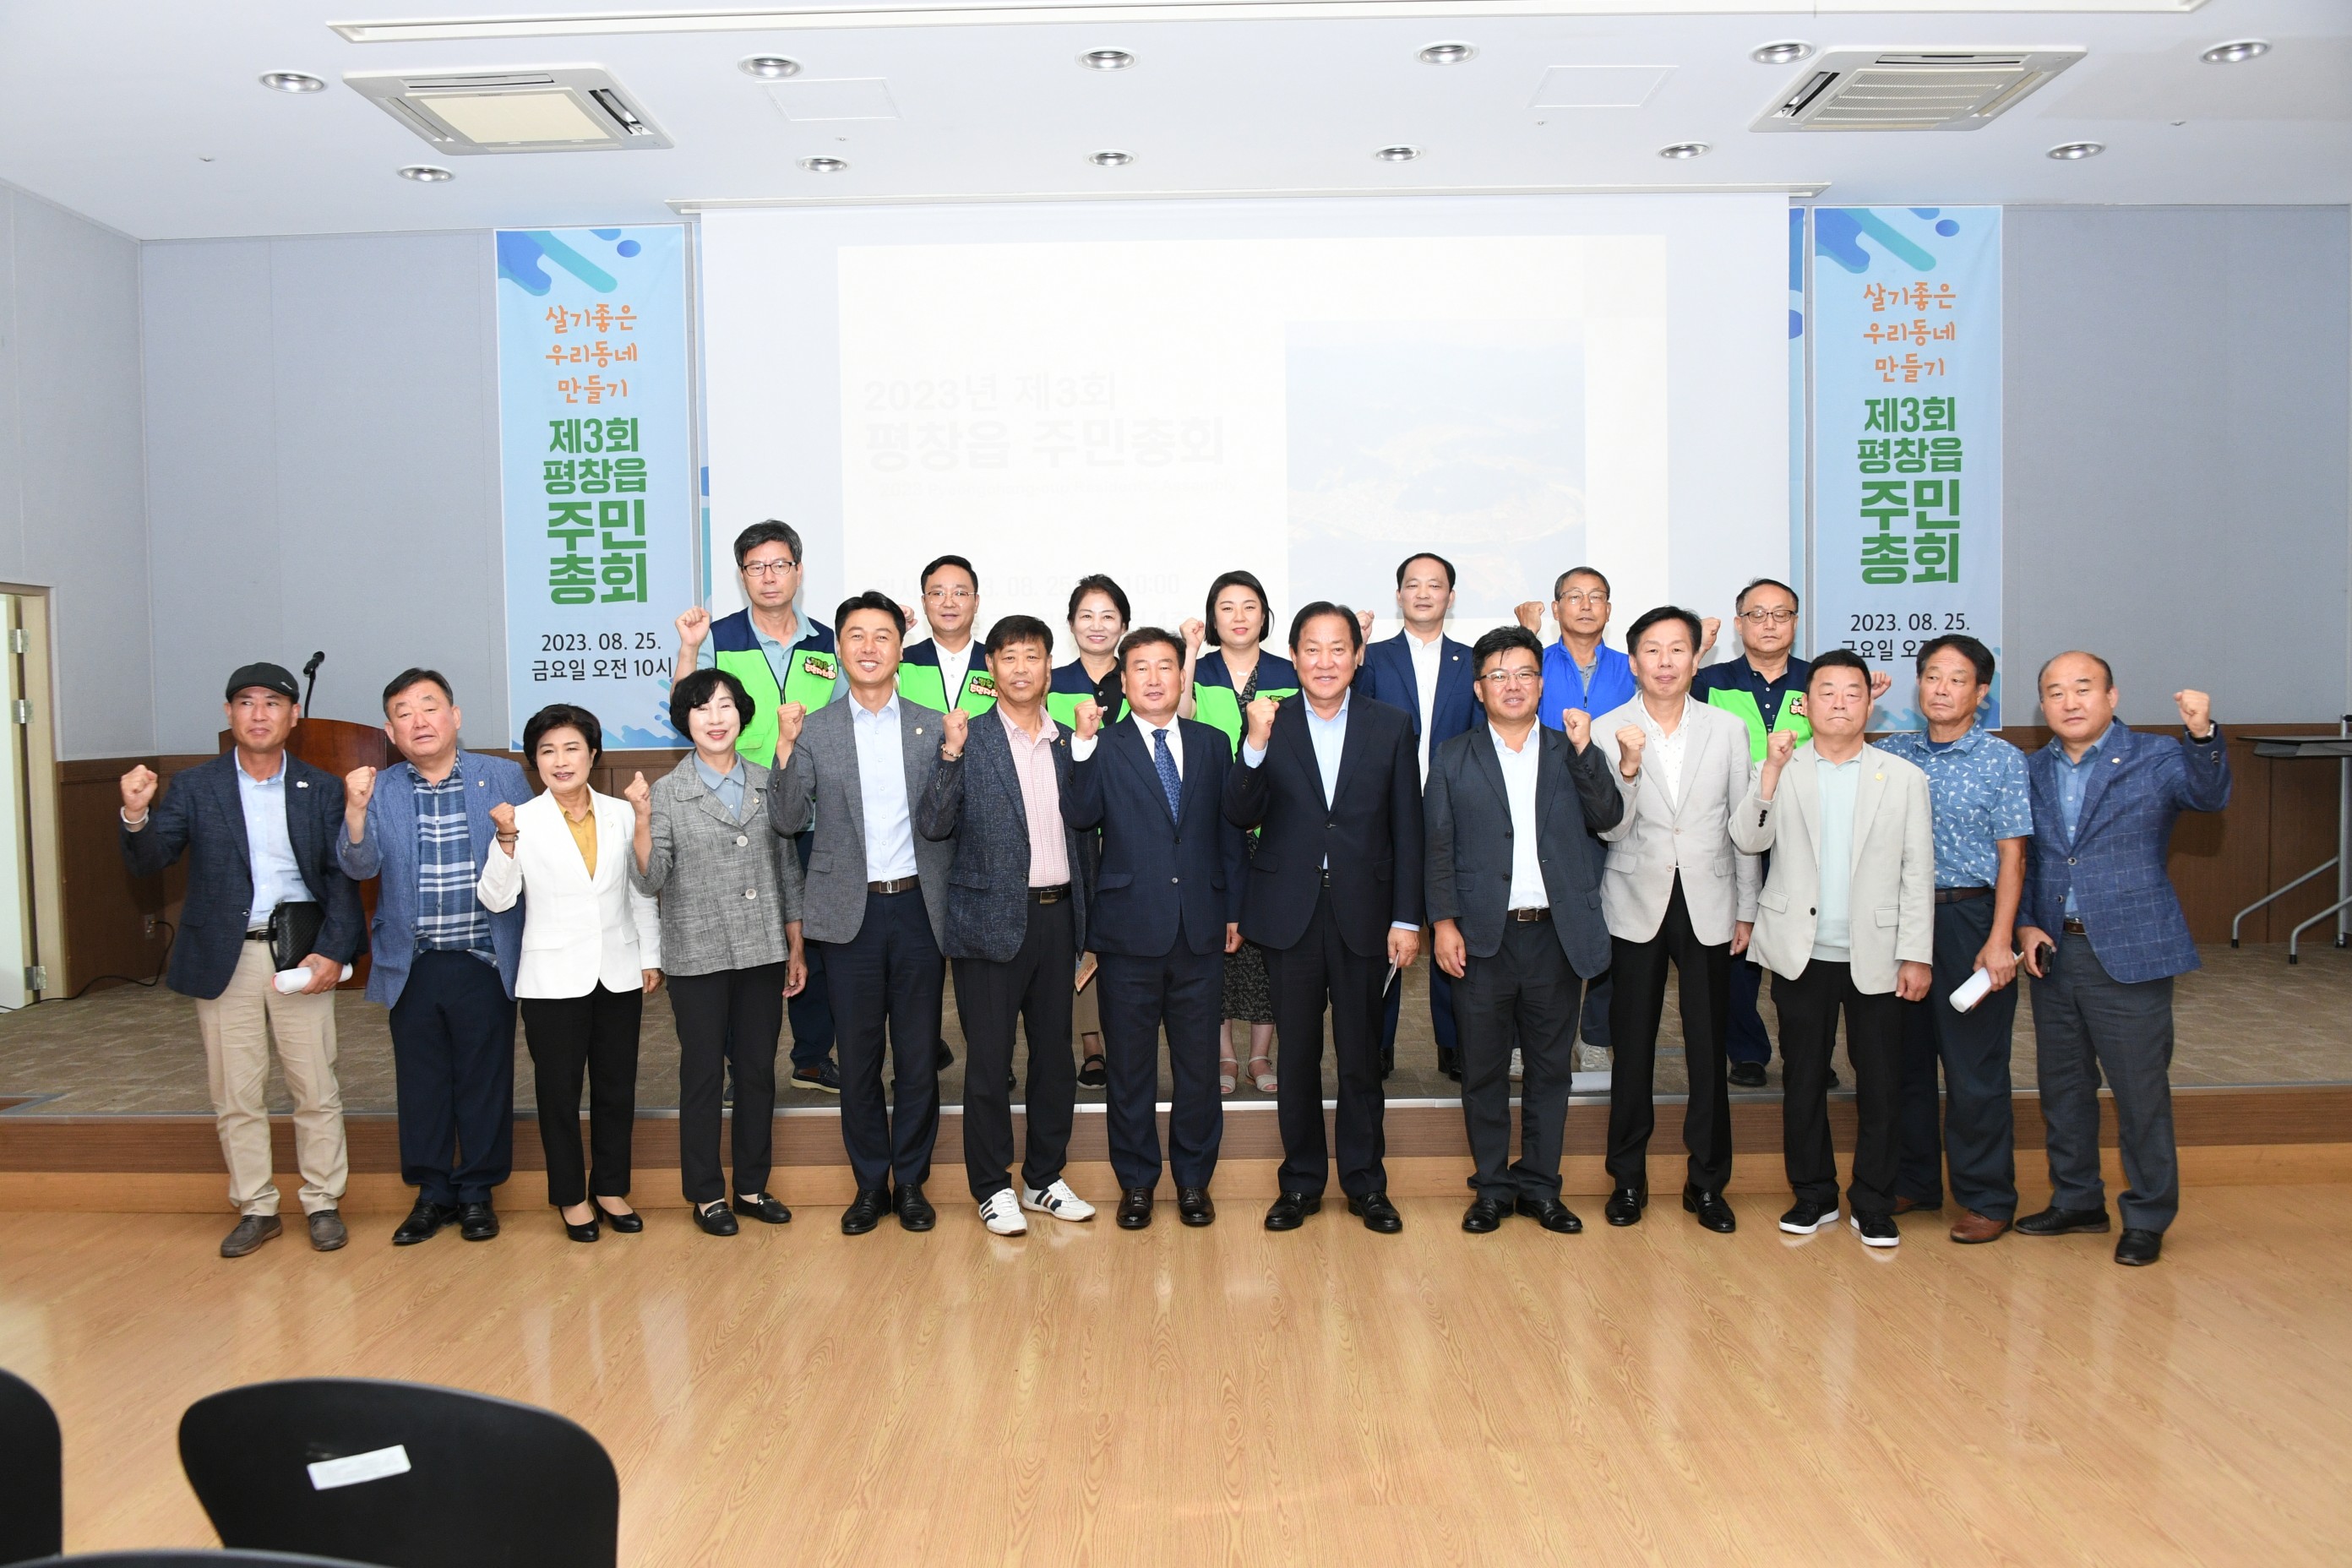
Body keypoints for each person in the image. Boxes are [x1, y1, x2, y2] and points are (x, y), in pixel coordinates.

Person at [117, 662, 362, 1258]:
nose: (259, 714)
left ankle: (322, 1202)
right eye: (246, 702)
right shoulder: (197, 787)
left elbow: (341, 879)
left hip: (300, 954)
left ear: (293, 716)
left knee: (315, 1086)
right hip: (226, 956)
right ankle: (256, 1207)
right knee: (236, 1092)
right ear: (229, 714)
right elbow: (150, 860)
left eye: (272, 703)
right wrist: (136, 814)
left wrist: (334, 951)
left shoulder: (320, 788)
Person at [2014, 655, 2229, 1267]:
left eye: (2083, 689)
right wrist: (2025, 923)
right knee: (2063, 1088)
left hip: (2132, 949)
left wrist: (2202, 735)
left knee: (2140, 1093)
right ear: (2043, 706)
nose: (2070, 701)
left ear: (2111, 696)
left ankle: (2148, 1215)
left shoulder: (2156, 756)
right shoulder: (2031, 768)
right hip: (2054, 950)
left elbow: (2208, 796)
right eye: (2055, 692)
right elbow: (2024, 856)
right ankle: (2077, 1199)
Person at [1226, 602, 1424, 1234]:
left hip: (1366, 914)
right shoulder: (1268, 720)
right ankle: (1301, 1183)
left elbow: (1408, 829)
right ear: (1293, 657)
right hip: (1290, 914)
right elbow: (1239, 812)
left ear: (1358, 655)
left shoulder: (1391, 725)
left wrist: (1407, 918)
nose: (1325, 661)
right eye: (1312, 649)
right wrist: (1254, 744)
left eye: (1339, 648)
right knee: (1298, 1059)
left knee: (1362, 1057)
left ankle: (1367, 1184)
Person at [1729, 651, 1936, 1249]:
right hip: (1801, 953)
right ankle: (1813, 1194)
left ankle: (1873, 1201)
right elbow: (1747, 839)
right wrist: (1769, 773)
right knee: (1802, 1081)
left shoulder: (1903, 777)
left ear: (1870, 704)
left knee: (1881, 1084)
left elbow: (1918, 872)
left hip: (1879, 955)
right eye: (1827, 692)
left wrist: (1916, 953)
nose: (1840, 703)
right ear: (1806, 703)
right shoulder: (1779, 767)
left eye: (1852, 693)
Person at [771, 590, 957, 1235]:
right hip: (848, 915)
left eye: (883, 636)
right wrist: (784, 747)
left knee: (917, 1056)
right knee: (857, 1058)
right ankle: (870, 1184)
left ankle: (913, 1182)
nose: (870, 647)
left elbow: (947, 819)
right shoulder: (815, 728)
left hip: (919, 910)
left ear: (900, 648)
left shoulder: (933, 726)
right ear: (839, 647)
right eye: (857, 635)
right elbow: (786, 819)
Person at [1424, 627, 1622, 1235]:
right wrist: (1443, 923)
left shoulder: (1571, 748)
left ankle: (1541, 1186)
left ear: (1541, 684)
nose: (1513, 686)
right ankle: (1491, 1188)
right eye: (1499, 676)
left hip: (1555, 937)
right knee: (1483, 1070)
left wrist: (1588, 753)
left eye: (1525, 674)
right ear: (1479, 689)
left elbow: (1608, 816)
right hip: (1481, 937)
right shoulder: (1452, 756)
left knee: (1549, 1070)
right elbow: (1438, 847)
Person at [916, 614, 1097, 1235]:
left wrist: (1090, 928)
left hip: (1059, 918)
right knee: (990, 1063)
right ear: (990, 667)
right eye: (1009, 657)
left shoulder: (1071, 741)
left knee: (1055, 1060)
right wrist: (950, 753)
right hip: (988, 923)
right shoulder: (970, 737)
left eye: (1033, 656)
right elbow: (934, 824)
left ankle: (1044, 1177)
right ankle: (992, 1186)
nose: (1021, 668)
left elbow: (1088, 838)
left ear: (1050, 666)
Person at [339, 669, 534, 1246]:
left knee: (484, 1079)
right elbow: (359, 866)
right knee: (421, 1083)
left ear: (456, 716)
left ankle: (477, 1193)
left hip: (485, 956)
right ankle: (431, 1193)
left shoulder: (501, 775)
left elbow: (531, 858)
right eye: (404, 712)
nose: (419, 720)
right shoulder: (380, 788)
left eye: (429, 706)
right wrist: (354, 812)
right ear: (389, 731)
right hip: (413, 960)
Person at [1061, 628, 1248, 1228]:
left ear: (1181, 675)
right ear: (1123, 681)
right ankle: (1137, 1182)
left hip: (1200, 928)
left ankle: (1193, 1181)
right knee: (1130, 1070)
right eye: (1140, 668)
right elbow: (1080, 814)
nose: (1153, 678)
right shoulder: (1102, 744)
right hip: (1128, 932)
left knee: (1198, 1069)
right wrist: (1081, 746)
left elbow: (1228, 834)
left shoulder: (1213, 742)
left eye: (1165, 666)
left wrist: (1233, 909)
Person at [1587, 609, 1759, 1234]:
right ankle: (1627, 1179)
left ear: (1695, 659)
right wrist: (1629, 769)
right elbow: (1608, 827)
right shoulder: (1606, 729)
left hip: (1710, 900)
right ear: (1633, 661)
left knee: (1708, 1047)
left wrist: (1747, 906)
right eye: (1652, 651)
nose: (1665, 662)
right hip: (1635, 900)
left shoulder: (1728, 729)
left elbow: (1744, 823)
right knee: (1631, 1046)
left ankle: (1707, 1184)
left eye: (1677, 649)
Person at [1696, 578, 1893, 1087]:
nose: (1769, 624)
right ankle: (1746, 1051)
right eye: (1757, 615)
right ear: (1738, 624)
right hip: (1734, 830)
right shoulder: (1710, 681)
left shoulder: (1820, 681)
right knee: (1737, 949)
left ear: (1796, 622)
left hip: (1808, 835)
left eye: (1780, 614)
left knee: (1806, 947)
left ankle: (1809, 1057)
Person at [476, 704, 663, 1243]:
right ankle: (570, 1197)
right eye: (548, 751)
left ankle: (610, 1188)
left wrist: (650, 955)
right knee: (558, 1093)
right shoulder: (520, 819)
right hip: (552, 979)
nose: (561, 761)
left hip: (618, 970)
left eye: (571, 748)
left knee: (616, 1088)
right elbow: (497, 898)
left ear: (593, 754)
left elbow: (640, 891)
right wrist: (506, 841)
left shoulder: (622, 813)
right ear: (534, 761)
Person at [630, 669, 806, 1235]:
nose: (715, 717)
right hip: (698, 954)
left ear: (742, 714)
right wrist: (640, 821)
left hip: (762, 950)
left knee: (757, 1072)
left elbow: (787, 870)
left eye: (725, 705)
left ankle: (751, 1187)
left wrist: (795, 944)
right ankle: (706, 1194)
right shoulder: (665, 793)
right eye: (702, 707)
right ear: (685, 720)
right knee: (703, 1074)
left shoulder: (767, 781)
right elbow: (650, 877)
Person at [673, 518, 841, 1096]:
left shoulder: (827, 642)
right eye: (756, 567)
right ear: (742, 575)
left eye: (780, 565)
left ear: (799, 570)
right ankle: (732, 1063)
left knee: (816, 934)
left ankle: (812, 1055)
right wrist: (689, 649)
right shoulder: (719, 637)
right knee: (738, 935)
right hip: (737, 811)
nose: (769, 577)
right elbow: (687, 706)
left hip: (814, 811)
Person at [1876, 635, 2033, 1244]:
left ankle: (1987, 1196)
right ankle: (1915, 1181)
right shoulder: (1893, 752)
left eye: (1957, 678)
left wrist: (2000, 939)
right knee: (1905, 1061)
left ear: (1981, 692)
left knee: (1974, 1068)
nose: (1941, 688)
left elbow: (2013, 858)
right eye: (1932, 676)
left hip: (1971, 919)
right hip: (1901, 923)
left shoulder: (2002, 760)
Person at [1358, 552, 1478, 1081]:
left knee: (1451, 930)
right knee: (1386, 933)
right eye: (1413, 584)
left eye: (1435, 585)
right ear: (1399, 595)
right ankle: (1379, 1045)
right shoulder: (1372, 659)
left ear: (1450, 597)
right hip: (1387, 815)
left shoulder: (1471, 661)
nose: (1424, 593)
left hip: (1455, 814)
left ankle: (1453, 1045)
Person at [1189, 569, 1296, 1095]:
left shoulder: (1287, 671)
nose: (1238, 617)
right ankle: (1224, 1053)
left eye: (1249, 606)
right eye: (1226, 607)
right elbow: (1179, 716)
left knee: (1268, 938)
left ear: (1264, 615)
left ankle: (1259, 1054)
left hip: (1274, 819)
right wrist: (1188, 654)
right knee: (1216, 939)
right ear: (1213, 617)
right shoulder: (1198, 669)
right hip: (1209, 818)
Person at [1048, 574, 1133, 1087]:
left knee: (1125, 933)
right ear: (1071, 624)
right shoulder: (1050, 680)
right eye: (1086, 616)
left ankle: (1125, 1034)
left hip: (1130, 826)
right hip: (1070, 824)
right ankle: (1092, 1044)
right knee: (1081, 932)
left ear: (1123, 624)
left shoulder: (1140, 674)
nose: (1097, 626)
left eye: (1108, 616)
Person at [898, 554, 997, 716]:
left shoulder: (998, 661)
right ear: (924, 603)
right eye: (938, 593)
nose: (949, 603)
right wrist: (891, 629)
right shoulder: (902, 662)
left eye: (960, 593)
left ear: (976, 602)